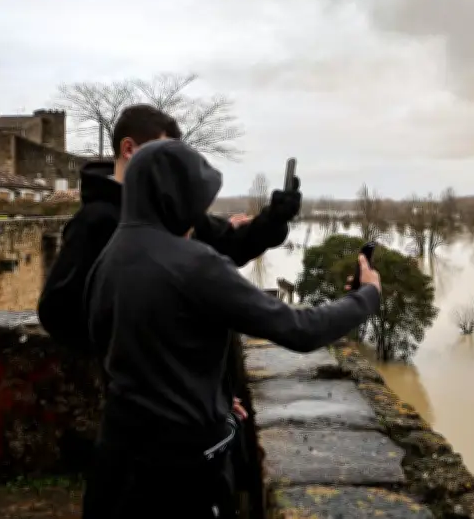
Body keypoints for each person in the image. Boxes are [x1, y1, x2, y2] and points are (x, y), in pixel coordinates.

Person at [81, 139, 381, 519]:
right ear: (179, 199)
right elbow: (300, 329)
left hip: (116, 458)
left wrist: (211, 397)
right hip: (178, 473)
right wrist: (367, 296)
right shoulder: (194, 264)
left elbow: (124, 350)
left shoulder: (108, 257)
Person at [37, 104, 300, 362]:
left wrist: (273, 219)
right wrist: (132, 356)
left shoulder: (170, 208)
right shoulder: (96, 221)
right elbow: (58, 313)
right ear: (129, 149)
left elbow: (230, 244)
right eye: (162, 152)